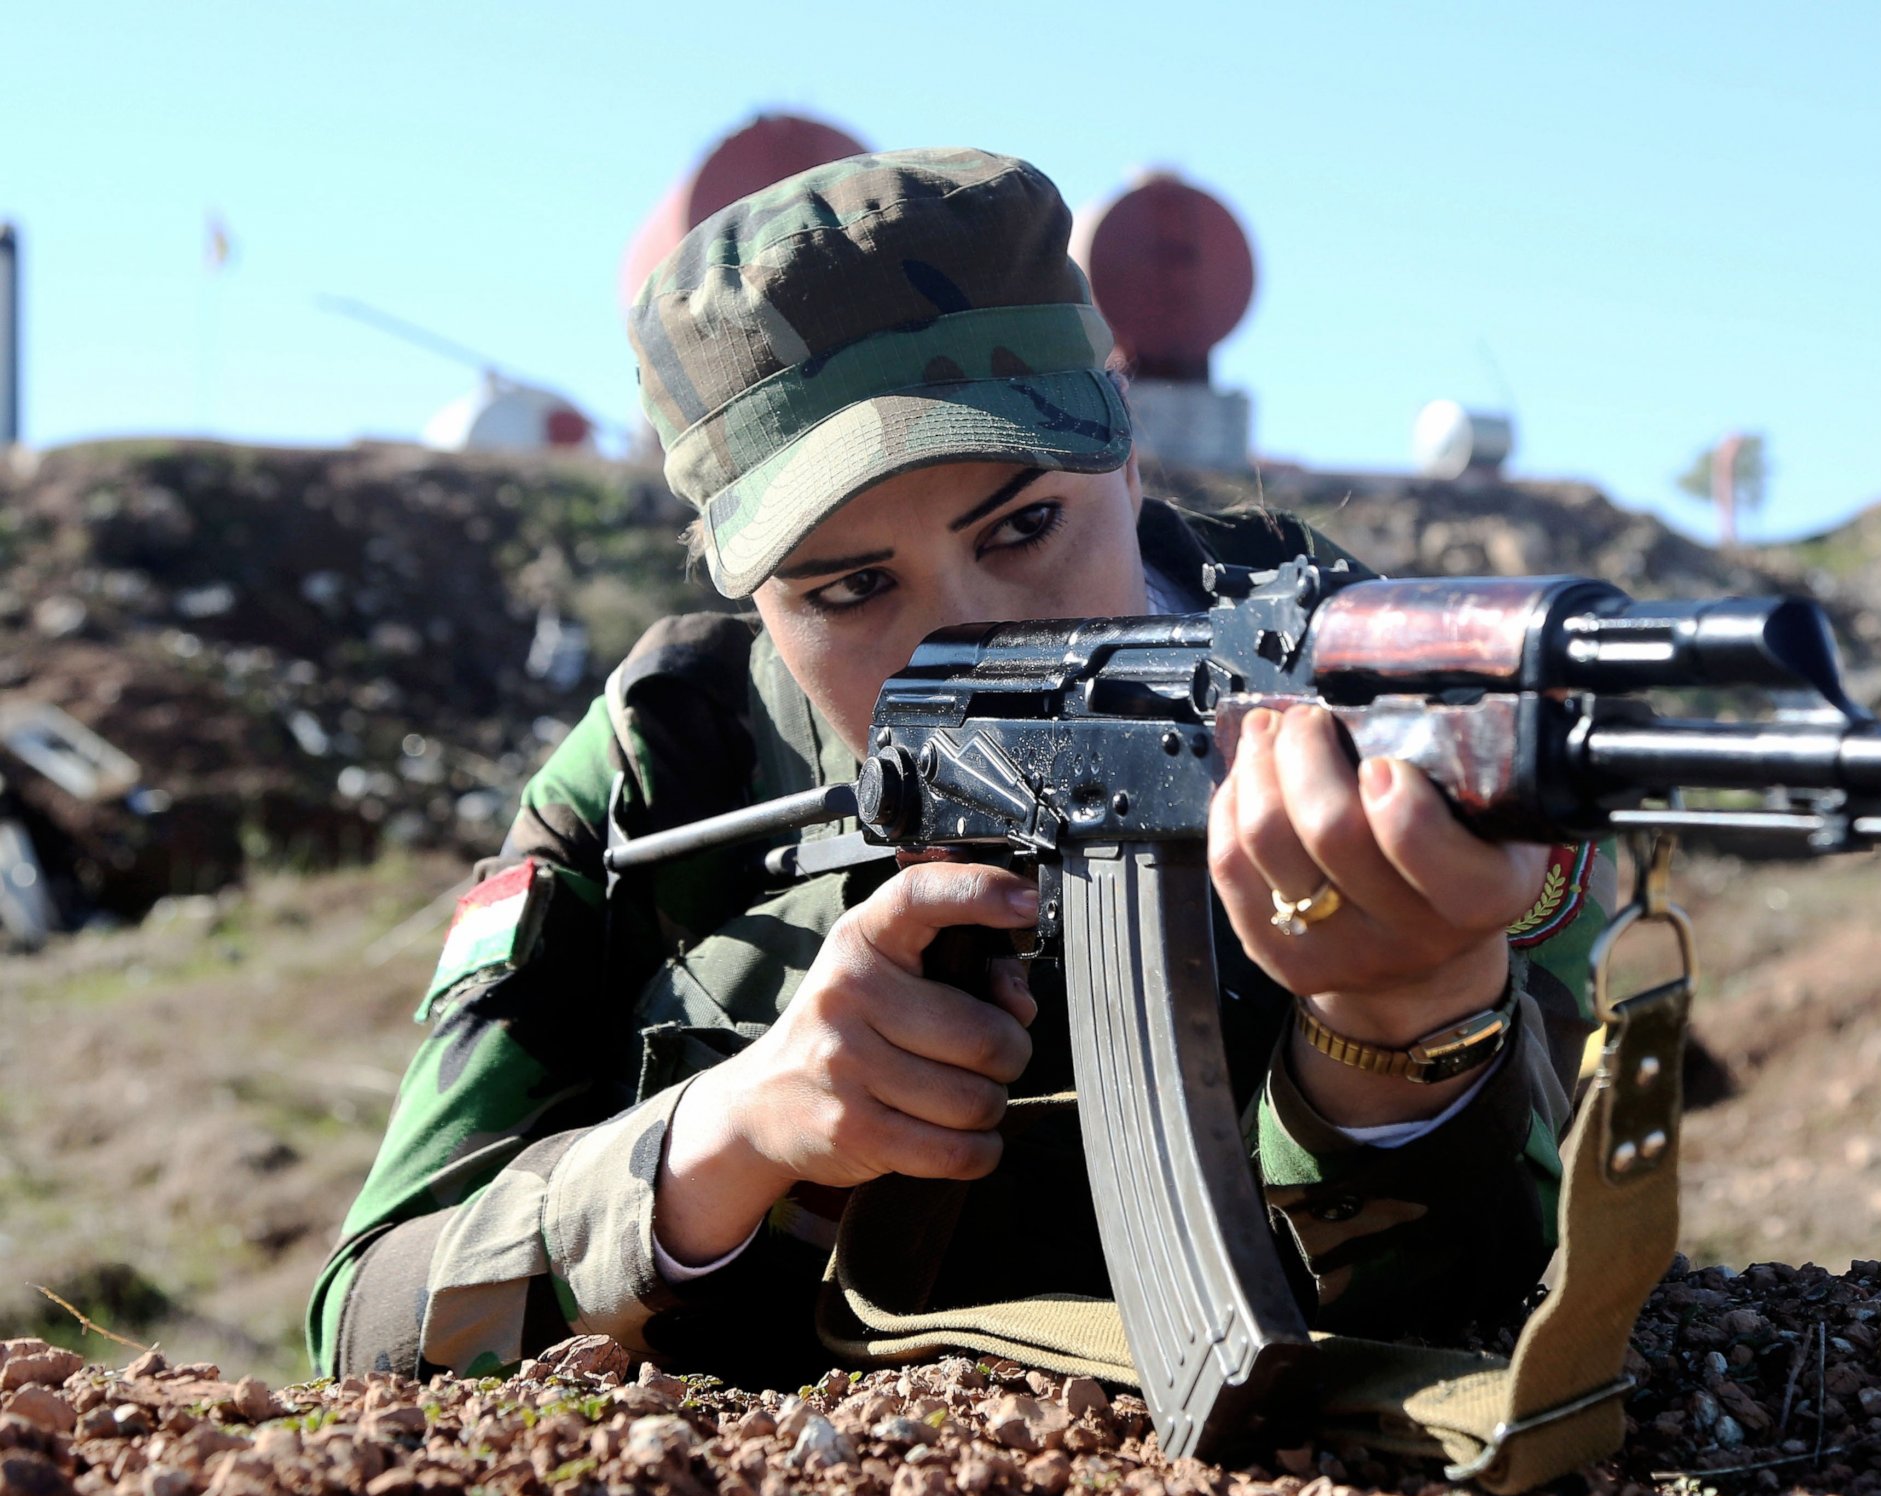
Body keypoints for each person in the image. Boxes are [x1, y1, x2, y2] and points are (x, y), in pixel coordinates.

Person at [308, 149, 1607, 1385]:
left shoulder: (1387, 698)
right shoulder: (667, 762)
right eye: (851, 587)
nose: (966, 631)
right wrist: (733, 1134)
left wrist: (1401, 1026)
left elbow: (1536, 1298)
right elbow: (367, 1317)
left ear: (1123, 432)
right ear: (743, 583)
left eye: (1027, 524)